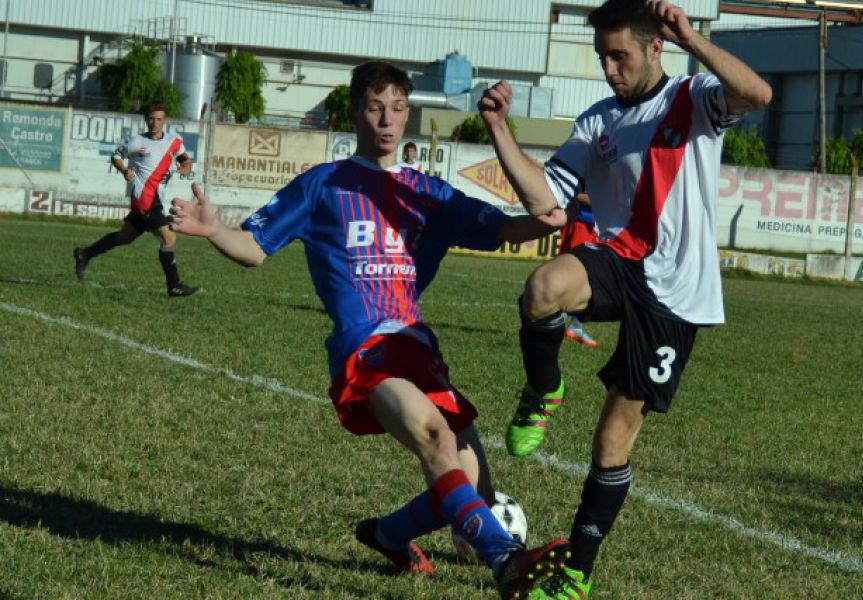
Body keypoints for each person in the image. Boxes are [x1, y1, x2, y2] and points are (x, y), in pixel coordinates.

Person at [169, 60, 571, 599]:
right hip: (364, 349)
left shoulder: (426, 192)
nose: (388, 120)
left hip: (417, 347)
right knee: (434, 436)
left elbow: (507, 227)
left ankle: (385, 536)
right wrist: (215, 229)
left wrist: (551, 218)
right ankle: (506, 562)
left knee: (468, 481)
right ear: (356, 112)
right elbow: (254, 250)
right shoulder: (323, 185)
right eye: (376, 107)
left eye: (399, 109)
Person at [478, 0, 772, 596]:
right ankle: (543, 389)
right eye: (603, 58)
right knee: (542, 288)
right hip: (620, 259)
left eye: (620, 56)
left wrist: (692, 37)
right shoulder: (597, 121)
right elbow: (547, 200)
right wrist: (498, 130)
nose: (609, 69)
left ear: (655, 48)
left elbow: (760, 94)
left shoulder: (694, 99)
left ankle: (576, 577)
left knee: (612, 439)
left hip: (676, 296)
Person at [73, 102, 198, 297]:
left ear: (164, 120)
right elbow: (116, 155)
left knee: (125, 237)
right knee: (169, 237)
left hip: (153, 198)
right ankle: (174, 286)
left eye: (158, 119)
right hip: (144, 199)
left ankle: (85, 254)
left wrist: (185, 168)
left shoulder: (174, 142)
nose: (154, 123)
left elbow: (186, 160)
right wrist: (124, 170)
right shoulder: (136, 141)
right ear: (145, 119)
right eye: (151, 118)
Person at [559, 194, 600, 348]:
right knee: (571, 274)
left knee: (588, 278)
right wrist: (604, 201)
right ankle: (558, 323)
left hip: (591, 226)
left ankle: (575, 323)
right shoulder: (591, 170)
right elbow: (577, 193)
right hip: (581, 224)